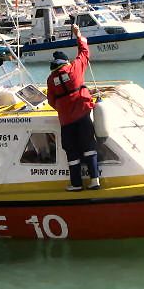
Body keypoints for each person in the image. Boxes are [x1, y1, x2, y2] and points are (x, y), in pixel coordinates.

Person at [46, 24, 100, 191]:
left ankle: (76, 184)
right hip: (83, 114)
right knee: (89, 147)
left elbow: (51, 101)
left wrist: (63, 108)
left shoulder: (50, 79)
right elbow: (84, 52)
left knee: (72, 152)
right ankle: (94, 180)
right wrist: (78, 34)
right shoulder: (74, 69)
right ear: (65, 62)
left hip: (66, 121)